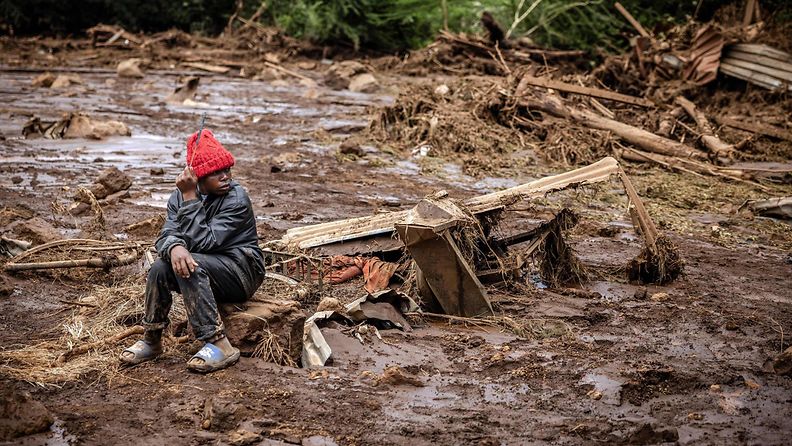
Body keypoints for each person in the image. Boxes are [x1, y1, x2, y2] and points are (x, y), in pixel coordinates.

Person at [120, 129, 265, 373]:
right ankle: (152, 339)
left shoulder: (236, 198)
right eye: (216, 172)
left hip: (241, 270)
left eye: (227, 170)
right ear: (197, 176)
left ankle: (218, 343)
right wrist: (175, 246)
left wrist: (189, 197)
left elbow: (205, 241)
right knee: (159, 267)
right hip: (207, 264)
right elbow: (165, 235)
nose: (225, 177)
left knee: (190, 265)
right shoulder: (179, 197)